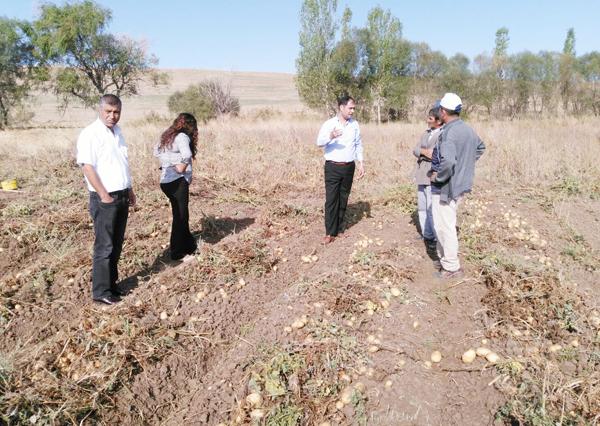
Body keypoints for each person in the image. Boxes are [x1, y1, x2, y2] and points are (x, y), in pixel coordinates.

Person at [76, 94, 136, 305]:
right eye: (108, 112)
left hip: (120, 194)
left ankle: (112, 285)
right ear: (100, 111)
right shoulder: (90, 134)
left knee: (117, 243)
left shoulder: (118, 133)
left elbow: (121, 163)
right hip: (104, 198)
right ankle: (101, 292)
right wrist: (103, 195)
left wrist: (129, 189)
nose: (112, 116)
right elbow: (87, 166)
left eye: (116, 112)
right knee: (105, 246)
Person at [429, 92, 485, 278]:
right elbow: (480, 147)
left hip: (447, 187)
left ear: (444, 112)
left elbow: (448, 162)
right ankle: (445, 258)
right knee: (446, 223)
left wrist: (438, 177)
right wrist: (465, 165)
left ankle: (451, 267)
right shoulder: (467, 129)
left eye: (440, 111)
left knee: (445, 226)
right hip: (461, 184)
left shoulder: (449, 133)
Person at [316, 95, 365, 244]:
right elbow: (319, 142)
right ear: (341, 107)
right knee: (332, 199)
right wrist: (331, 136)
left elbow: (358, 144)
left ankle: (339, 229)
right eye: (350, 108)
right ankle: (329, 232)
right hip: (332, 167)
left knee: (343, 198)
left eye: (354, 108)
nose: (352, 111)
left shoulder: (355, 125)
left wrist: (361, 162)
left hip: (349, 167)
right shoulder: (329, 124)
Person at [154, 113, 198, 261]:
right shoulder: (182, 137)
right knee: (180, 217)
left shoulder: (168, 135)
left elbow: (156, 152)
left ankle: (190, 245)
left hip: (166, 181)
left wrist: (167, 163)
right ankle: (177, 253)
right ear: (190, 125)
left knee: (180, 214)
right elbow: (187, 154)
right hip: (178, 181)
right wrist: (180, 167)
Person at [412, 106, 442, 243]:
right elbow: (415, 149)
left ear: (439, 121)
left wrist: (424, 152)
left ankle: (433, 236)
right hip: (421, 174)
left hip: (432, 175)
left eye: (430, 118)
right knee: (422, 207)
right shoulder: (426, 133)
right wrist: (425, 152)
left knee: (431, 208)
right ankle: (426, 234)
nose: (427, 120)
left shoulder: (442, 135)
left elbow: (435, 155)